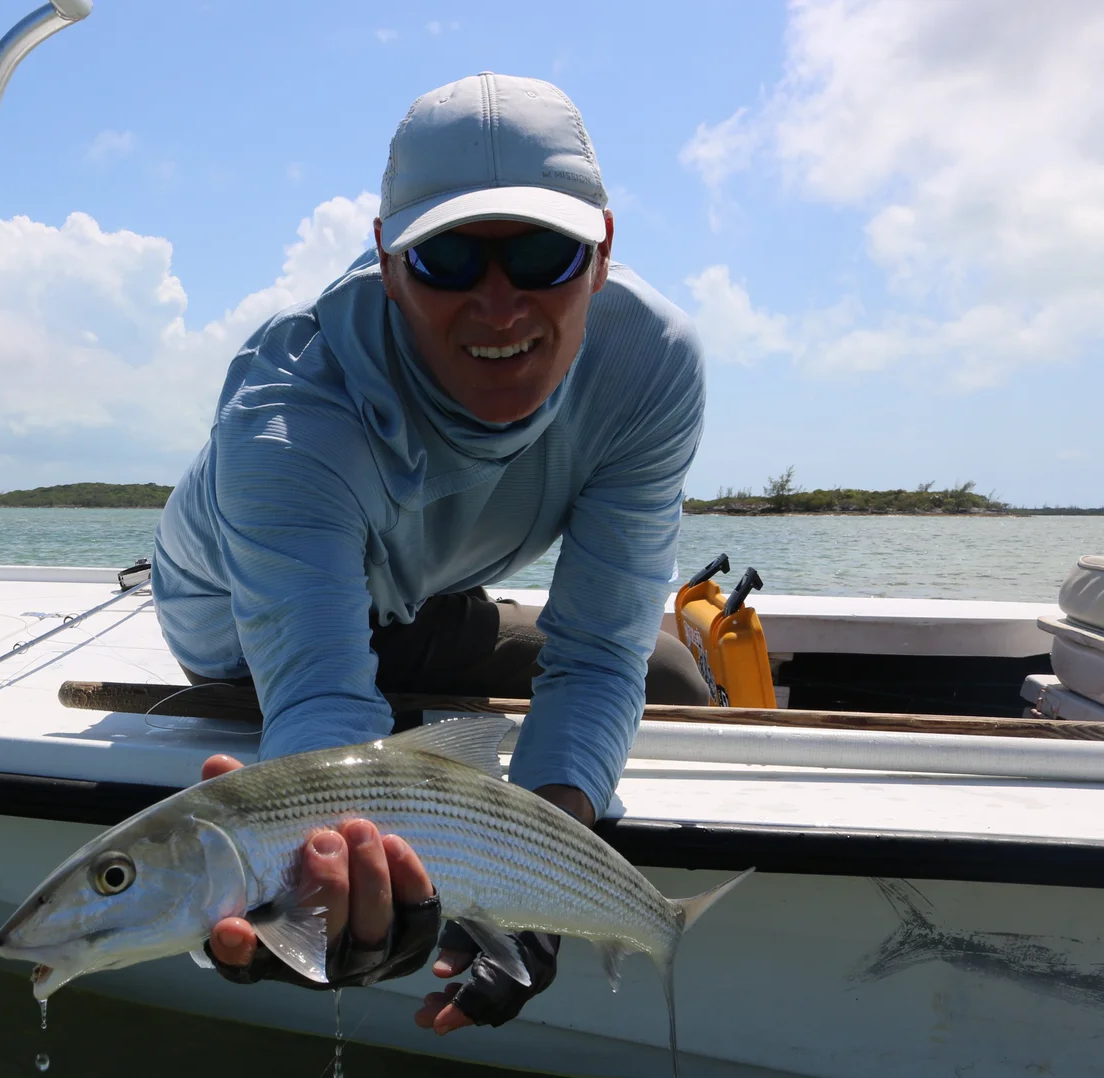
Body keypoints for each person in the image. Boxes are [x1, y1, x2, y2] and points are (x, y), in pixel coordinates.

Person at [149, 72, 708, 1031]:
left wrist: (539, 887)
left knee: (674, 673)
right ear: (388, 258)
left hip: (414, 598)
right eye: (449, 259)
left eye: (544, 254)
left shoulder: (648, 365)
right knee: (354, 754)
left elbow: (601, 653)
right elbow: (324, 701)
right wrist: (330, 873)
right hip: (243, 637)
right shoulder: (288, 419)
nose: (500, 307)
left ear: (603, 254)